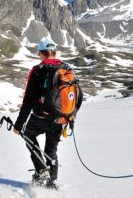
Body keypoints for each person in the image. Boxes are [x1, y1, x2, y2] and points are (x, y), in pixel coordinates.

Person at [13, 37, 82, 189]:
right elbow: (79, 96)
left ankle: (41, 170)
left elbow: (28, 101)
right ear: (55, 52)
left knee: (28, 135)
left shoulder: (38, 71)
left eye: (39, 53)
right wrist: (71, 115)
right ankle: (52, 182)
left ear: (41, 53)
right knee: (51, 151)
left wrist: (18, 125)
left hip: (41, 117)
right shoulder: (67, 70)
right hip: (61, 119)